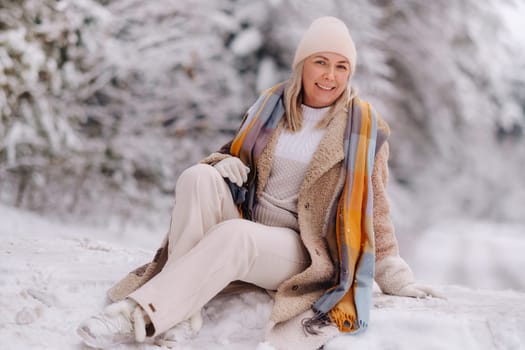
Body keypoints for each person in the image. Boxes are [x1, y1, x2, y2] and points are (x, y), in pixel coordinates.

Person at [77, 16, 437, 350]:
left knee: (236, 235)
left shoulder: (362, 131)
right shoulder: (271, 106)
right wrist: (226, 161)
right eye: (320, 62)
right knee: (198, 176)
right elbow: (229, 153)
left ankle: (141, 313)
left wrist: (393, 273)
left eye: (341, 66)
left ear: (350, 73)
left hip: (301, 250)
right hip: (249, 219)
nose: (330, 75)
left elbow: (376, 207)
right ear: (302, 65)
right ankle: (184, 312)